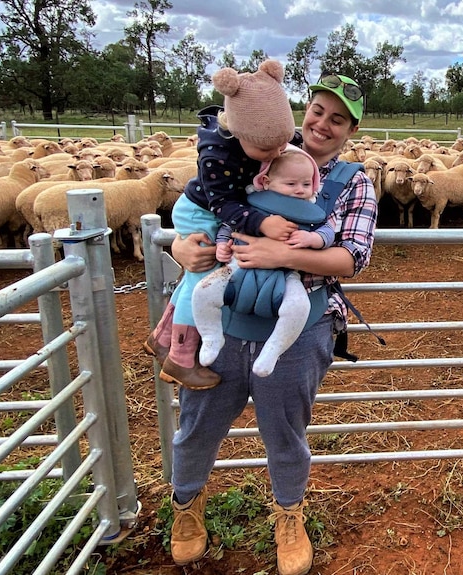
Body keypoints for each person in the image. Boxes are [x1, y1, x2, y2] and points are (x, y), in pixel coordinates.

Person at [167, 72, 377, 575]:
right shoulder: (256, 153)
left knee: (285, 432)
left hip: (297, 329)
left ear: (351, 130)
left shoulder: (354, 183)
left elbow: (352, 259)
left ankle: (289, 516)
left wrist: (279, 251)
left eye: (339, 119)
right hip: (227, 316)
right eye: (318, 111)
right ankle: (186, 509)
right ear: (303, 110)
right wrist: (180, 247)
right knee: (196, 427)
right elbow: (204, 211)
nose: (323, 124)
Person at [143, 59, 297, 390]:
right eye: (265, 148)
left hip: (211, 210)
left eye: (281, 144)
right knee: (204, 278)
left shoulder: (264, 135)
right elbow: (223, 204)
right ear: (238, 131)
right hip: (202, 210)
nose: (275, 153)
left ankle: (163, 336)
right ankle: (181, 360)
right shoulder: (217, 155)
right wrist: (264, 223)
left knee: (198, 273)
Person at [192, 145, 331, 377]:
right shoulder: (252, 204)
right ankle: (211, 335)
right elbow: (230, 225)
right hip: (238, 268)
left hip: (285, 275)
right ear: (266, 182)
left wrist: (312, 238)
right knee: (203, 291)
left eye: (306, 184)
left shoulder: (311, 211)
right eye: (291, 184)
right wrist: (222, 246)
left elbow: (327, 233)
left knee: (299, 306)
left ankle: (274, 349)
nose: (300, 191)